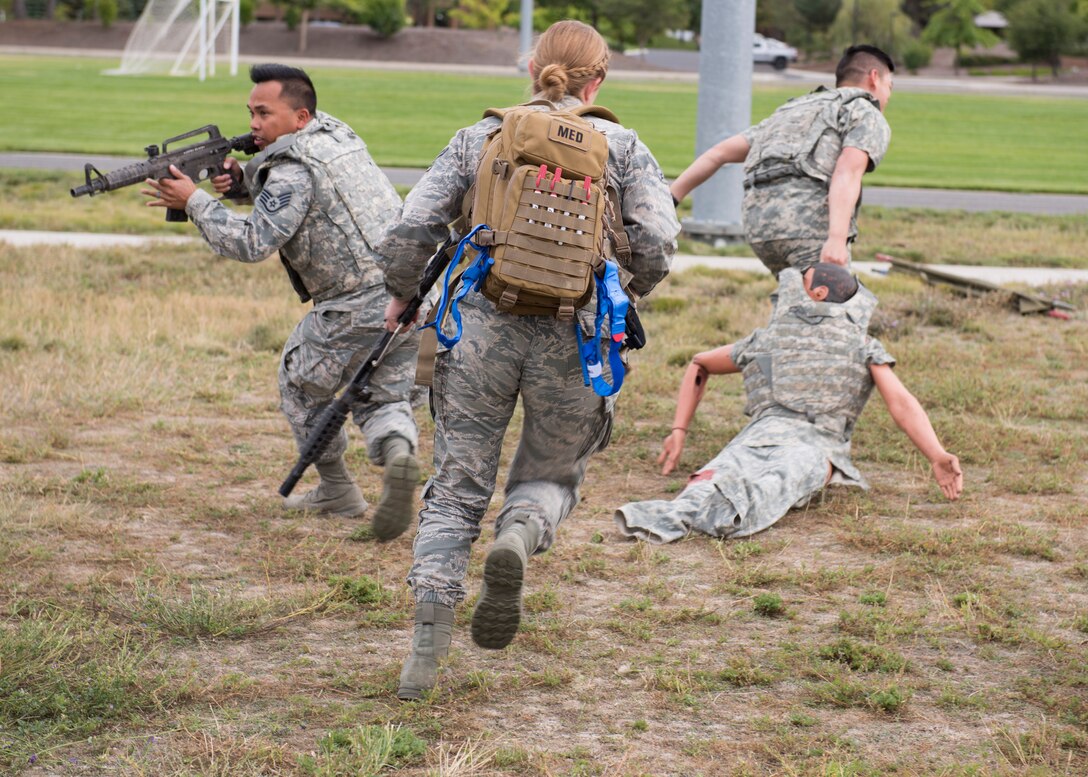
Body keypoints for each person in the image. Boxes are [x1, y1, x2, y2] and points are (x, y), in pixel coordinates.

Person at [375, 20, 680, 700]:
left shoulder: (479, 137)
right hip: (576, 334)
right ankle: (518, 532)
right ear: (598, 81)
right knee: (550, 469)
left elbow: (410, 229)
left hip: (478, 324)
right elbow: (658, 240)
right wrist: (623, 294)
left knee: (457, 483)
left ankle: (425, 652)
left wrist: (402, 295)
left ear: (531, 68)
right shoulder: (623, 147)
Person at [141, 64, 421, 541]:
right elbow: (306, 200)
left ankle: (337, 491)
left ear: (299, 116)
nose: (253, 123)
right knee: (383, 394)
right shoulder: (336, 135)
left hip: (356, 303)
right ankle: (398, 454)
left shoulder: (292, 171)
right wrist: (245, 183)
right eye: (250, 112)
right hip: (412, 293)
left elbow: (252, 243)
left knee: (298, 384)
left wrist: (194, 201)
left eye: (264, 113)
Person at [615, 264, 963, 544]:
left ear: (818, 293)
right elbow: (701, 363)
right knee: (714, 478)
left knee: (775, 482)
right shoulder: (769, 339)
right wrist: (678, 431)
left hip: (817, 443)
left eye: (804, 277)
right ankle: (675, 515)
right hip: (763, 433)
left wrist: (936, 453)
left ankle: (722, 516)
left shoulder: (861, 345)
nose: (793, 281)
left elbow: (900, 401)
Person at [670, 45, 895, 278]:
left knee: (798, 301)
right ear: (874, 78)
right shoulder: (866, 112)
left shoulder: (794, 109)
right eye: (890, 86)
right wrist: (837, 240)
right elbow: (847, 172)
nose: (888, 96)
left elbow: (718, 153)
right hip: (808, 230)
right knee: (834, 308)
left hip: (760, 229)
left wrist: (671, 198)